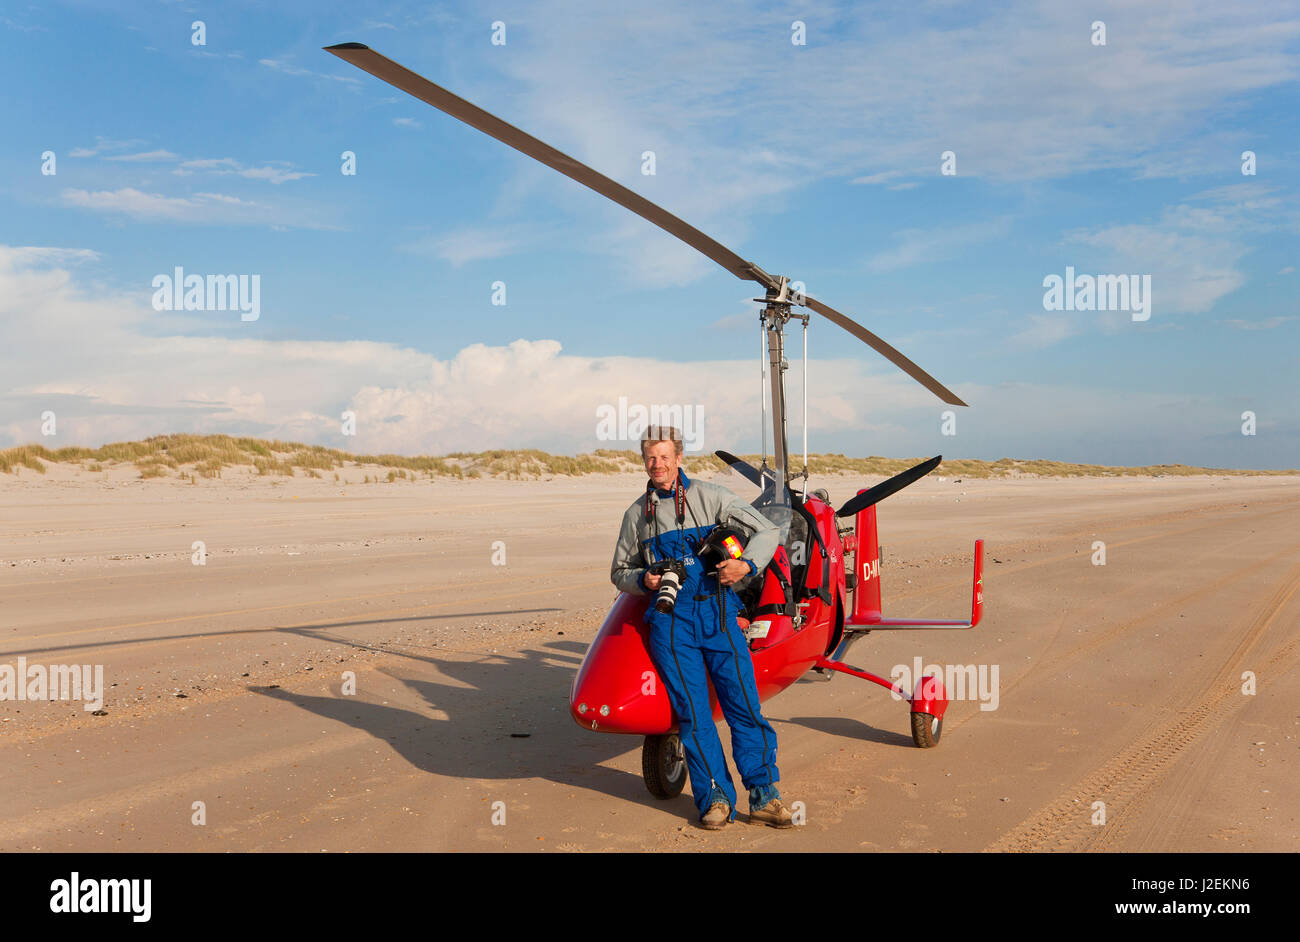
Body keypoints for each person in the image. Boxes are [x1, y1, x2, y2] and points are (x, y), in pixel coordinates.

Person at [611, 425, 795, 829]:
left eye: (664, 457)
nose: (657, 465)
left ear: (679, 458)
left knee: (743, 706)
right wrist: (644, 580)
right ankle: (714, 799)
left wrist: (745, 564)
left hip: (719, 616)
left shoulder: (710, 497)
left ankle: (764, 794)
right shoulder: (636, 516)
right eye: (650, 458)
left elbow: (767, 529)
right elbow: (619, 571)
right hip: (671, 627)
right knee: (693, 716)